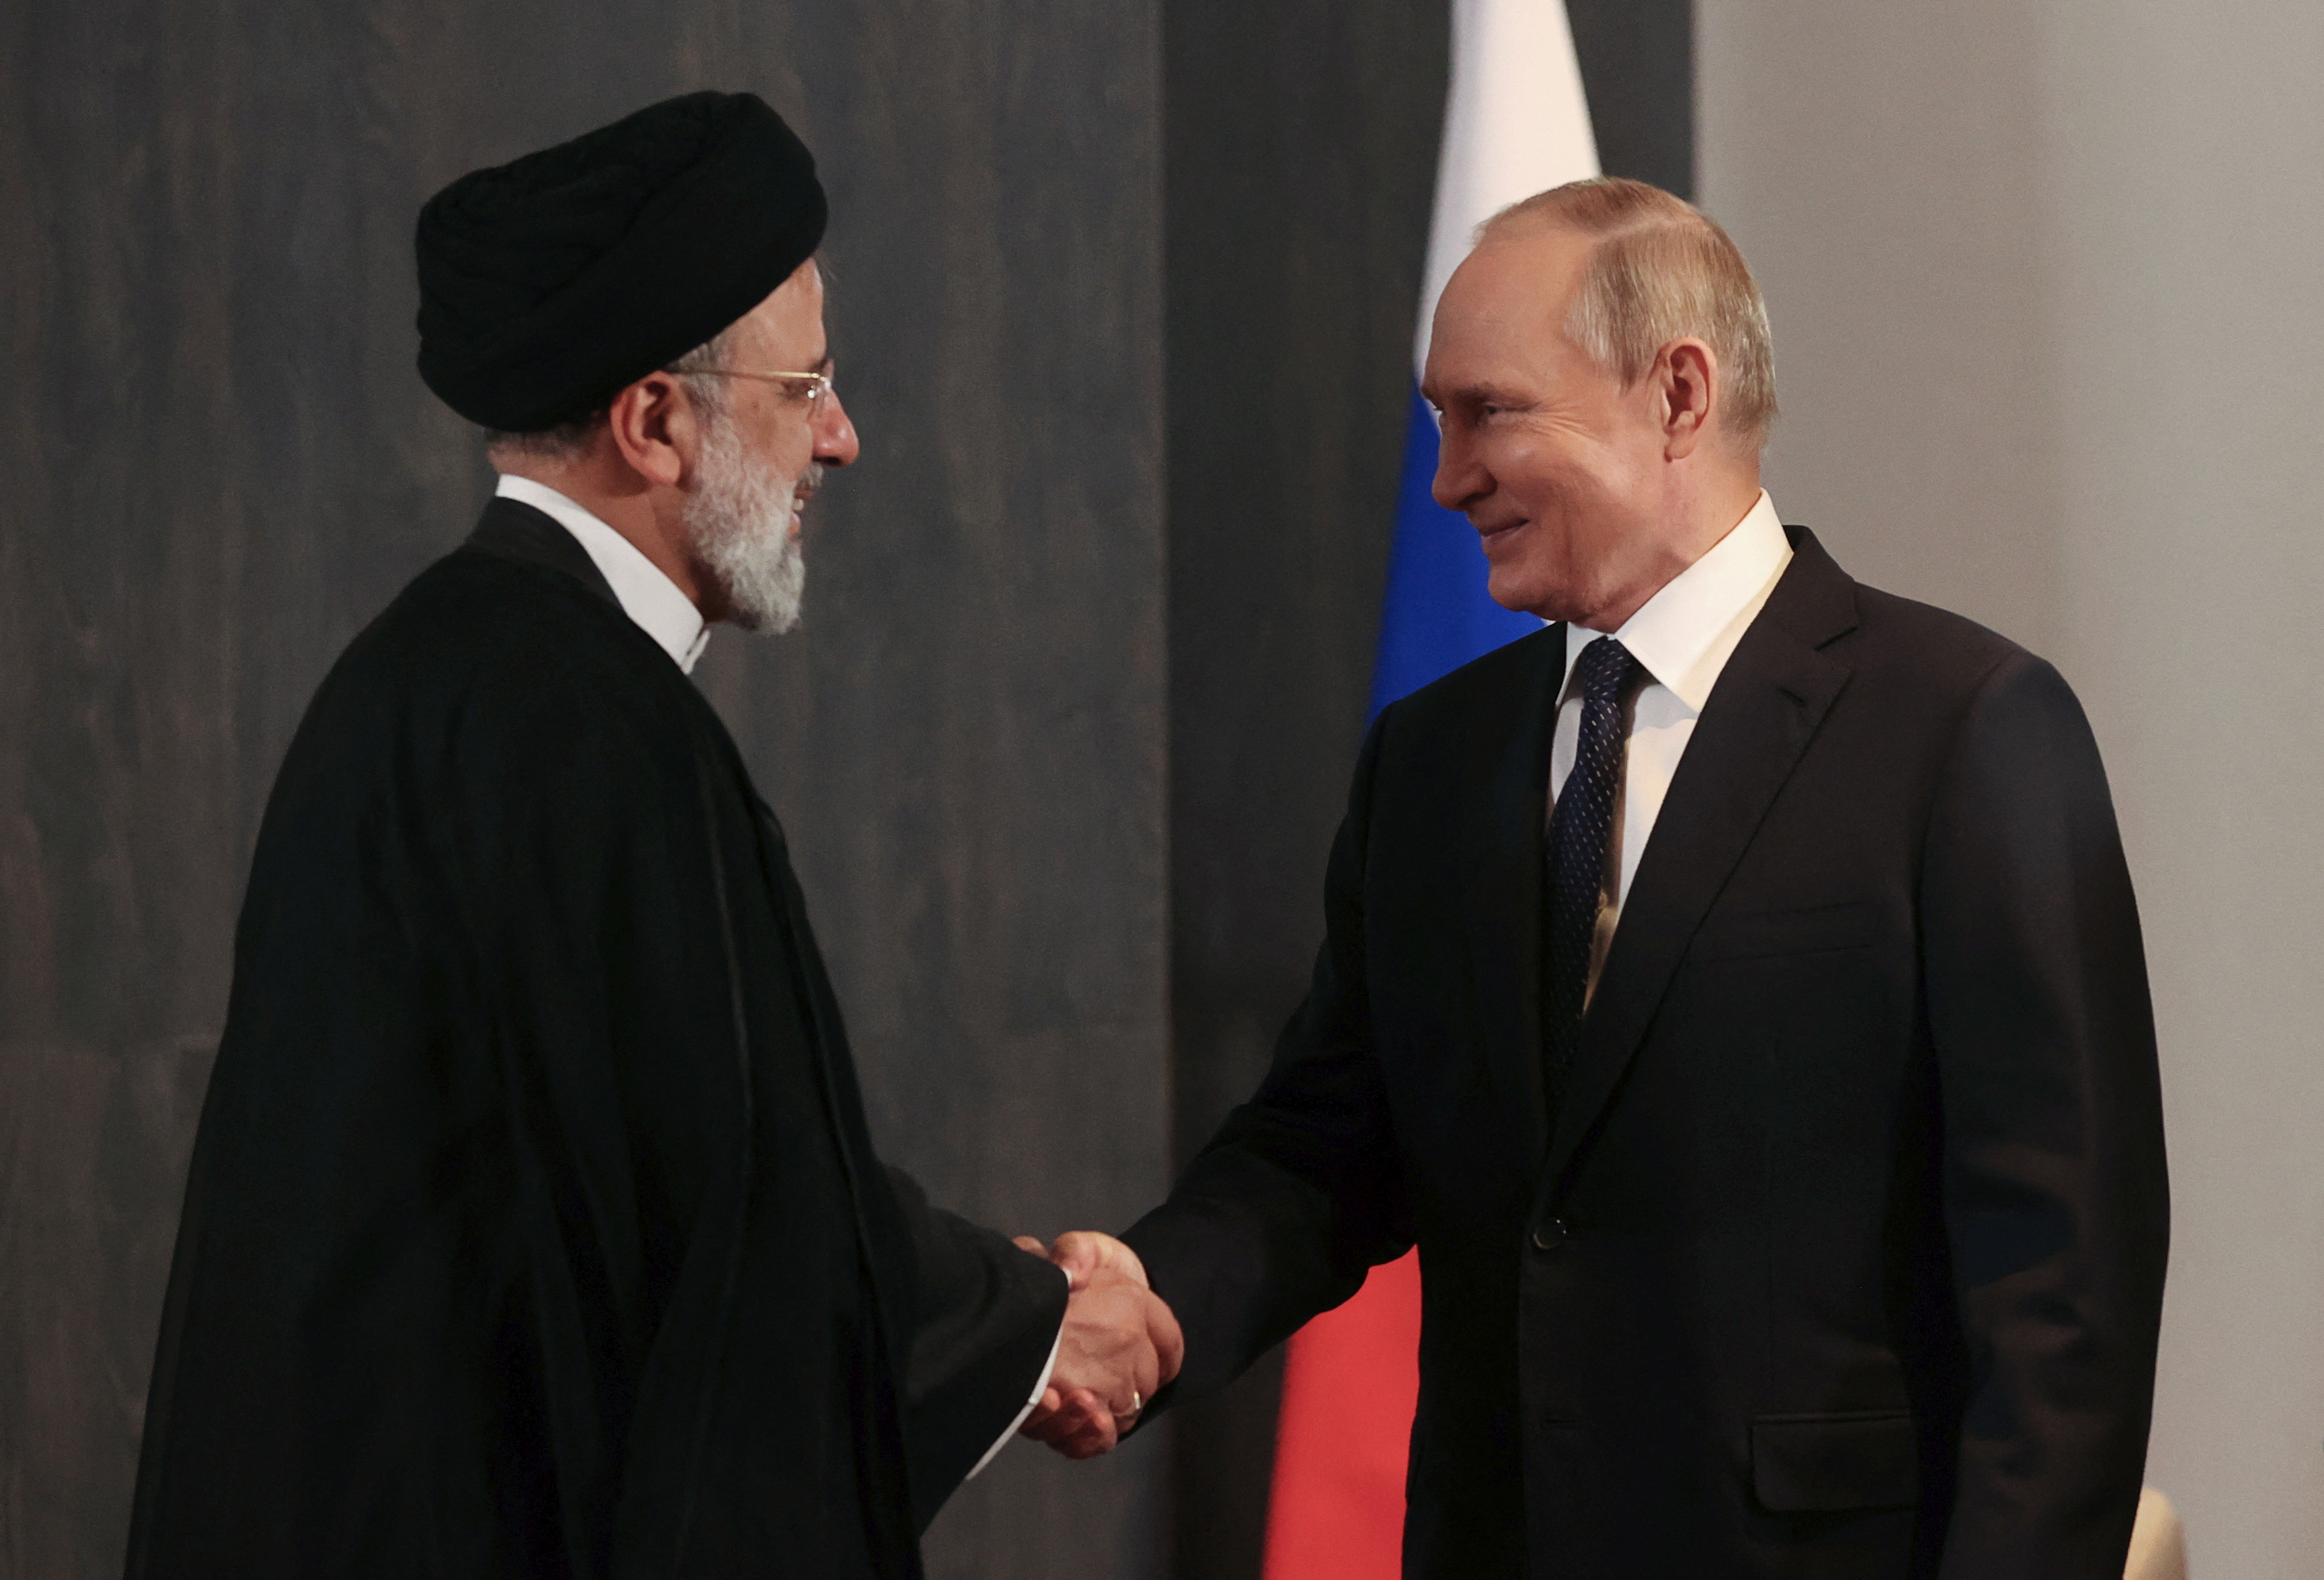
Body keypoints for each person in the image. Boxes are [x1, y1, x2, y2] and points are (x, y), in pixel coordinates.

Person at [1033, 177, 2169, 1577]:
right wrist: (1152, 1297)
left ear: (1679, 394)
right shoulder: (1432, 763)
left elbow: (2065, 1290)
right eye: (1439, 418)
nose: (1447, 476)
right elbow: (1325, 1144)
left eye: (1489, 411)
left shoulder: (1964, 728)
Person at [124, 90, 1176, 1580]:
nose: (843, 439)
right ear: (657, 420)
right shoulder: (591, 733)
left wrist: (1002, 1311)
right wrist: (1035, 1320)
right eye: (804, 388)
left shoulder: (428, 678)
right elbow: (735, 1230)